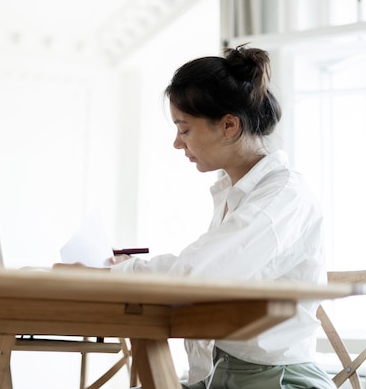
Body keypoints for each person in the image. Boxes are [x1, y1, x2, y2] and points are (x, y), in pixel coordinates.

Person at [56, 45, 334, 389]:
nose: (177, 143)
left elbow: (198, 276)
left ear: (229, 125)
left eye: (184, 129)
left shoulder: (282, 196)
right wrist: (121, 271)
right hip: (224, 376)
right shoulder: (237, 193)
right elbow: (203, 272)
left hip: (278, 382)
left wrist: (111, 275)